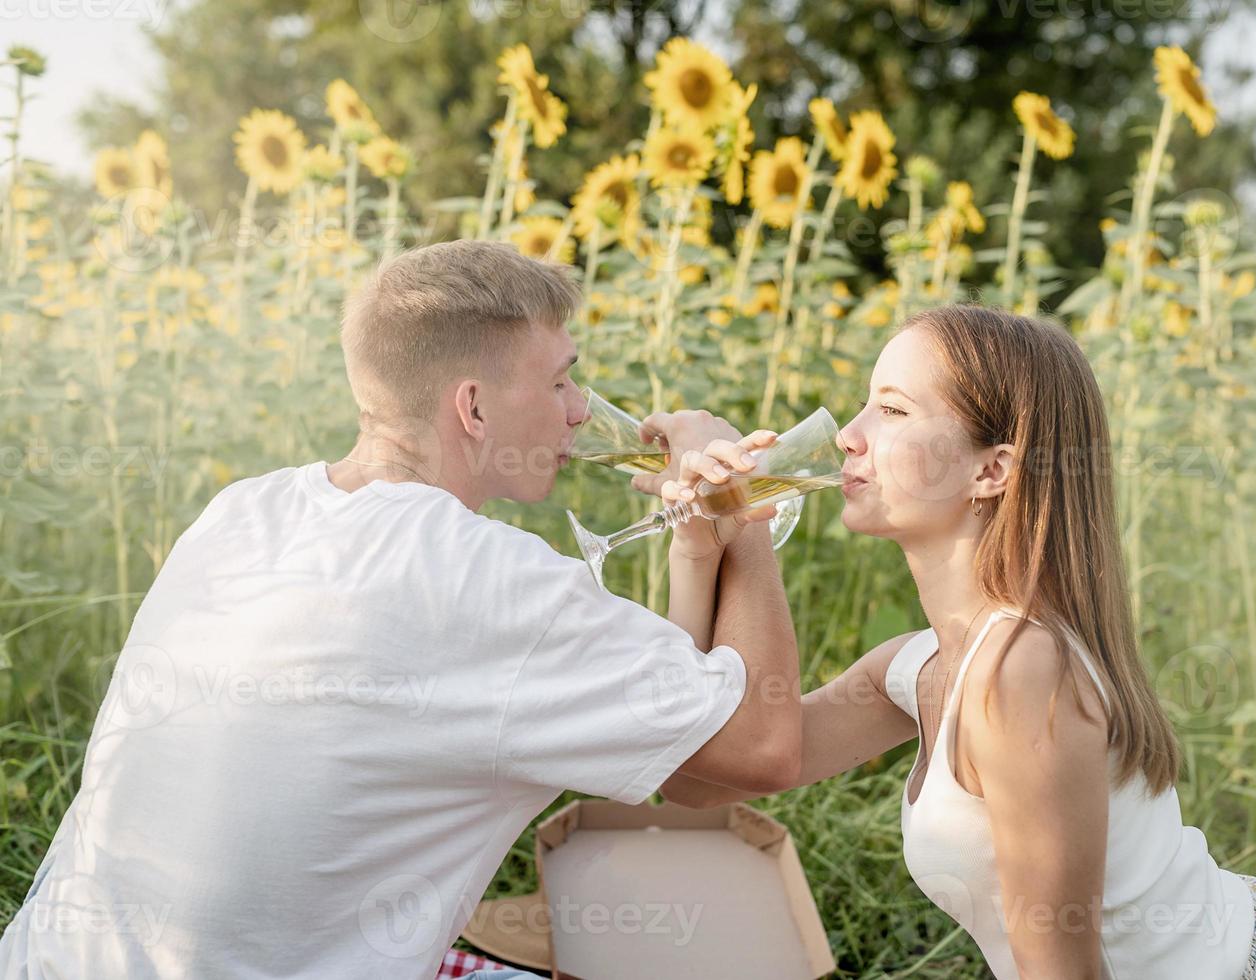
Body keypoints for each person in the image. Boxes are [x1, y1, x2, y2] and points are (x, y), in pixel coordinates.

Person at [0, 240, 804, 980]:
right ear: (474, 410)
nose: (579, 409)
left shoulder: (241, 511)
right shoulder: (487, 578)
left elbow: (678, 739)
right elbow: (761, 750)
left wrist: (699, 547)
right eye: (559, 380)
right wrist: (752, 505)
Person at [654, 305, 1256, 979]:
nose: (849, 433)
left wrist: (749, 521)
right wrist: (705, 545)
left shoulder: (1020, 670)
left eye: (894, 410)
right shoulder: (919, 668)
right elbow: (692, 779)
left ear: (991, 470)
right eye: (866, 403)